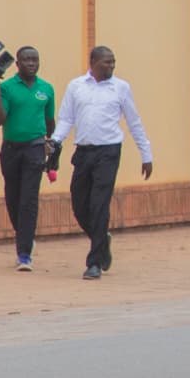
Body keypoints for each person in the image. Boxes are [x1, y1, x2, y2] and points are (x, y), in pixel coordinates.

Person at [51, 46, 154, 280]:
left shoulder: (121, 88)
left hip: (108, 152)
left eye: (113, 62)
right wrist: (55, 141)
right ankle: (101, 238)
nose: (111, 66)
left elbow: (134, 121)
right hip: (84, 152)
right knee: (79, 204)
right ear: (93, 62)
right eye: (106, 62)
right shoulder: (76, 86)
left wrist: (145, 154)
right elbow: (66, 119)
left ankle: (94, 262)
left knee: (99, 204)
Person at [0, 46, 55, 272]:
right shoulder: (7, 88)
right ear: (17, 64)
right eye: (26, 60)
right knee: (13, 198)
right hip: (11, 150)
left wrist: (52, 145)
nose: (31, 63)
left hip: (35, 149)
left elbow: (50, 121)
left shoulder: (46, 89)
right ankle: (24, 236)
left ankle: (24, 253)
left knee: (29, 200)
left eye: (35, 59)